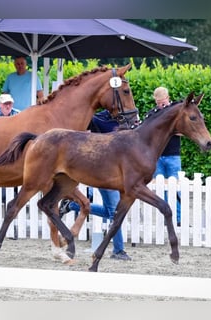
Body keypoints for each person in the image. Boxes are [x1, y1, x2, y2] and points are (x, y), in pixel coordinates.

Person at [59, 110, 132, 261]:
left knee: (109, 211)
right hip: (103, 172)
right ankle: (118, 250)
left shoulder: (125, 120)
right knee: (115, 213)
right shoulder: (98, 119)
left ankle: (71, 206)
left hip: (118, 172)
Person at [149, 87, 182, 226]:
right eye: (158, 103)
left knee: (176, 188)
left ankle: (178, 218)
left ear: (168, 98)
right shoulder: (153, 113)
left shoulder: (177, 110)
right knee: (160, 189)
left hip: (173, 155)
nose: (161, 105)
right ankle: (164, 218)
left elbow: (182, 131)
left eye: (163, 102)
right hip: (157, 155)